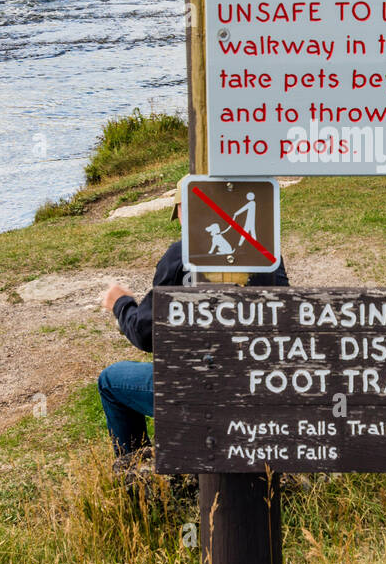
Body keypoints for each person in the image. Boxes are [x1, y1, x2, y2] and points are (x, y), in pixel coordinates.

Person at [97, 193, 288, 463]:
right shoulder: (267, 254)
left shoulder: (181, 255)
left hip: (201, 389)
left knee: (111, 380)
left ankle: (137, 474)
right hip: (263, 385)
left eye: (182, 215)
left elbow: (146, 334)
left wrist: (121, 304)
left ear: (191, 213)